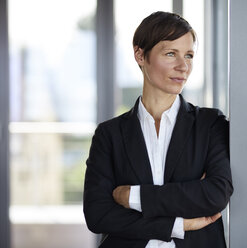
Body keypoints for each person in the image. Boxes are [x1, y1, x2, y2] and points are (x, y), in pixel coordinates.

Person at [83, 11, 233, 248]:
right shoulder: (109, 135)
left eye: (189, 55)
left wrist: (132, 197)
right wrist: (178, 224)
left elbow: (215, 195)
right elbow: (98, 214)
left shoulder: (210, 124)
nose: (183, 66)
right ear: (140, 55)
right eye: (171, 54)